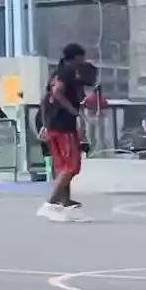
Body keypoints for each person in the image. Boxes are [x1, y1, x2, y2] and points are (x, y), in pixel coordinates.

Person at [39, 45, 92, 222]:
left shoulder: (57, 71)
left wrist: (45, 124)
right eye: (82, 58)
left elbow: (46, 99)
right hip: (64, 126)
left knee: (62, 167)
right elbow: (57, 92)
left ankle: (66, 204)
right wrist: (74, 112)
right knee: (71, 166)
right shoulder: (68, 72)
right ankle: (50, 204)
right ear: (77, 57)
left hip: (54, 125)